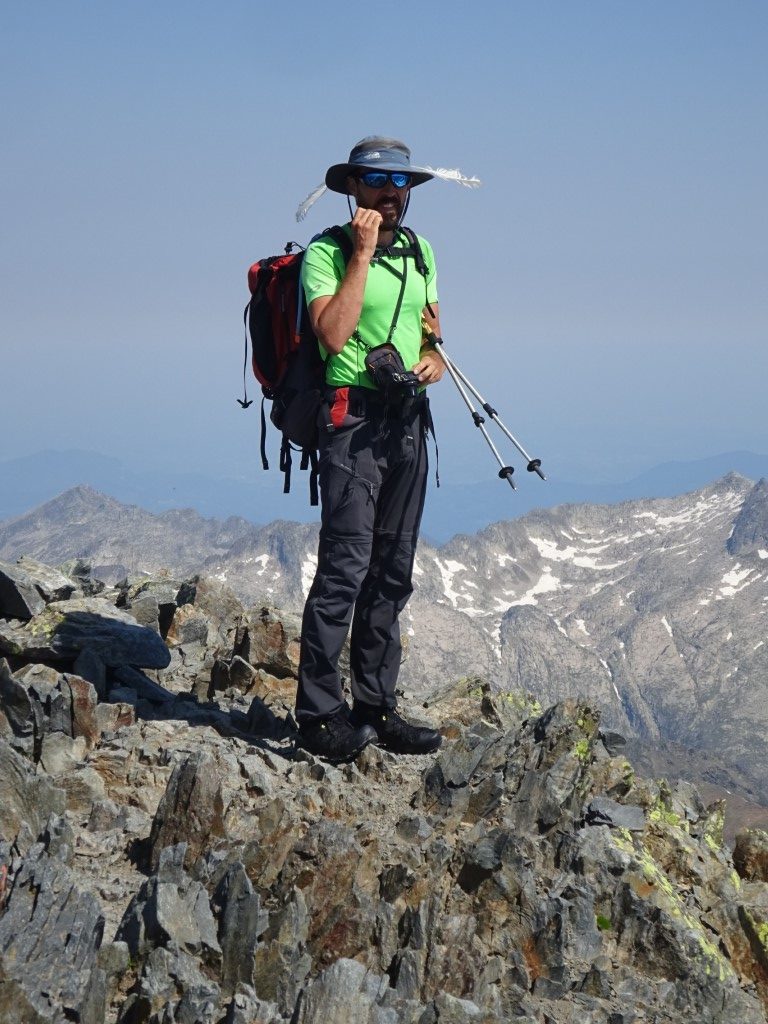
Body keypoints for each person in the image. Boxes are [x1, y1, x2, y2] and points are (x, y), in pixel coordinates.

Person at [294, 136, 449, 762]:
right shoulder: (326, 254)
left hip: (406, 420)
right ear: (353, 187)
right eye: (377, 181)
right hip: (351, 422)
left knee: (392, 569)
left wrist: (433, 357)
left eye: (400, 182)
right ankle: (317, 716)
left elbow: (432, 328)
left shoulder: (421, 251)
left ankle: (375, 706)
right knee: (345, 569)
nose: (390, 193)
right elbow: (332, 335)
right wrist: (361, 254)